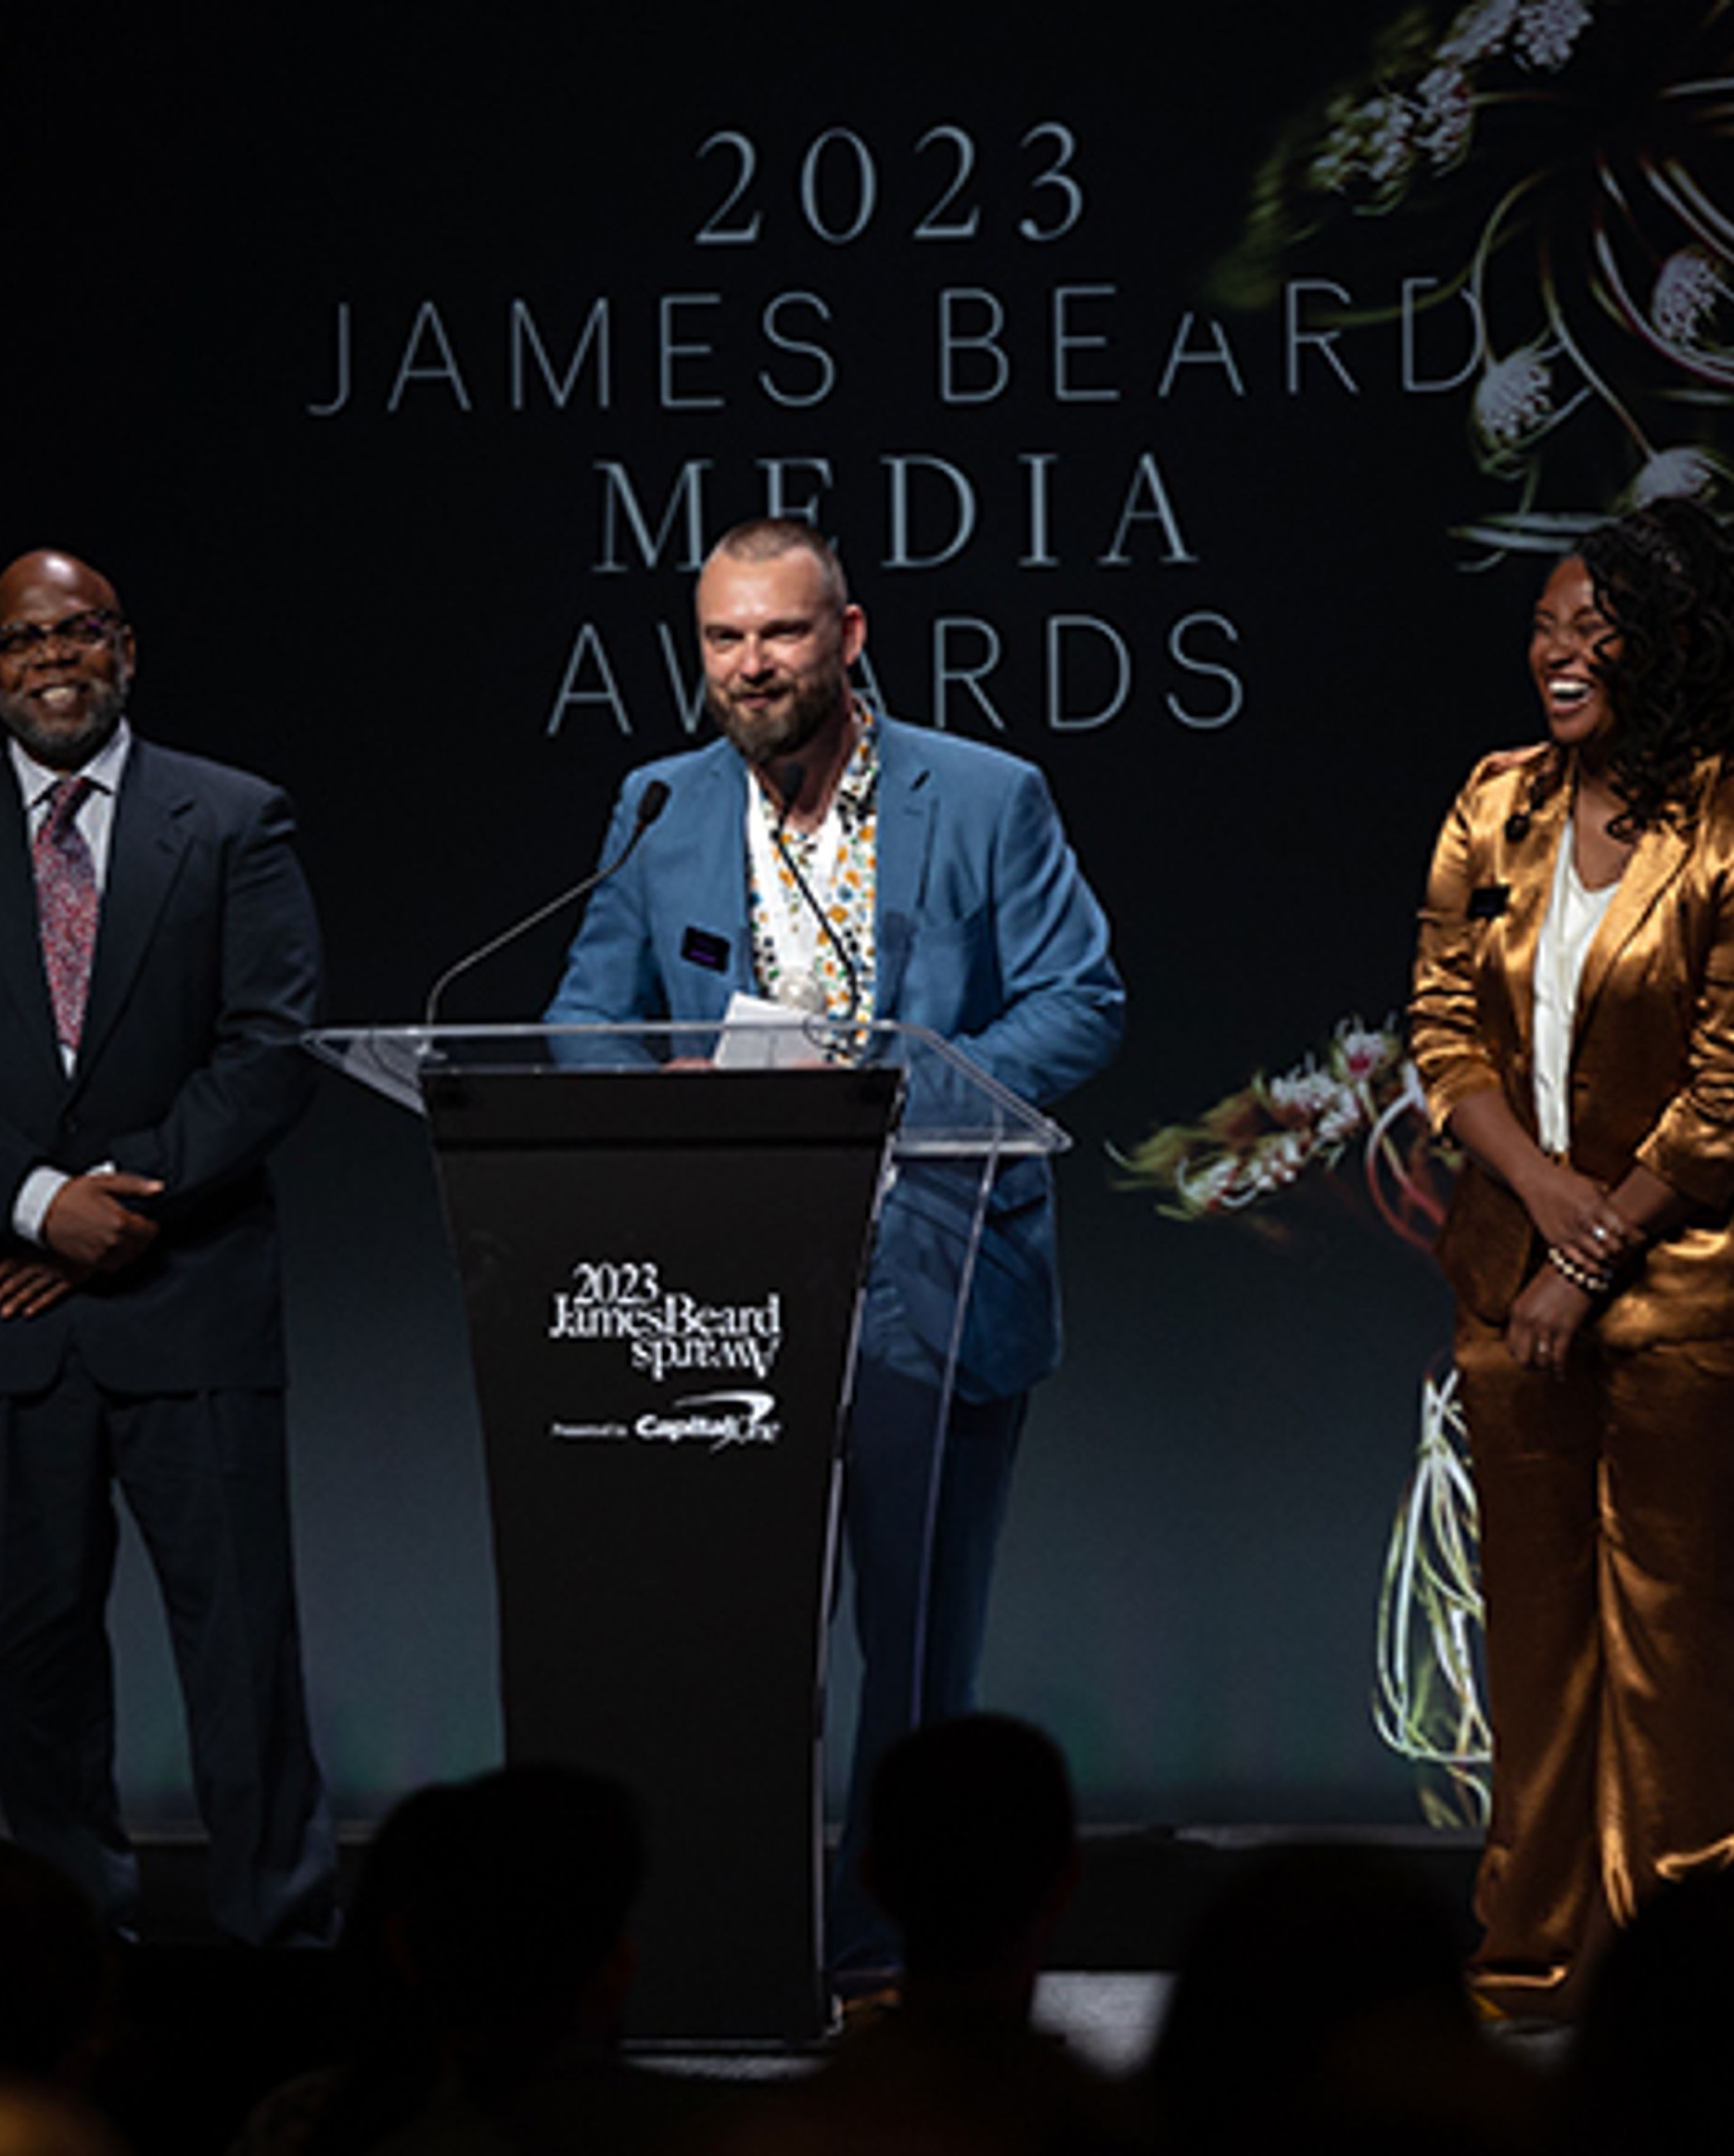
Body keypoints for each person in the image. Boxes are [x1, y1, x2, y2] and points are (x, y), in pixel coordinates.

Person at [544, 517, 1125, 1996]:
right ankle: (725, 1936)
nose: (753, 665)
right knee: (723, 1642)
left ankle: (895, 1960)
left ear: (848, 637)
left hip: (929, 1269)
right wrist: (655, 1091)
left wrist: (872, 1095)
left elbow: (1080, 1003)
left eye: (782, 633)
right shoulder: (657, 804)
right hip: (723, 1294)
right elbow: (578, 1020)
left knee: (918, 1661)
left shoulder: (986, 797)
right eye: (725, 639)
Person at [0, 547, 337, 1946]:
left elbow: (271, 1049)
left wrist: (110, 1205)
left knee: (241, 1652)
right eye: (21, 639)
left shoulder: (236, 819)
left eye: (80, 631)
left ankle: (280, 1943)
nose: (54, 657)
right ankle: (67, 1946)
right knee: (34, 1656)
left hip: (187, 1289)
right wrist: (35, 1206)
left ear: (127, 649)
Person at [1404, 496, 1734, 2019]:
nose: (1559, 653)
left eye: (1595, 631)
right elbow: (1443, 1024)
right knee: (1532, 1636)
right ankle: (1528, 1956)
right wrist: (1539, 1200)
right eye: (1546, 626)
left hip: (1701, 1296)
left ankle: (1689, 1981)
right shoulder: (1495, 801)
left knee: (1671, 1631)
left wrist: (1592, 1256)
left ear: (1674, 646)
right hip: (1512, 1273)